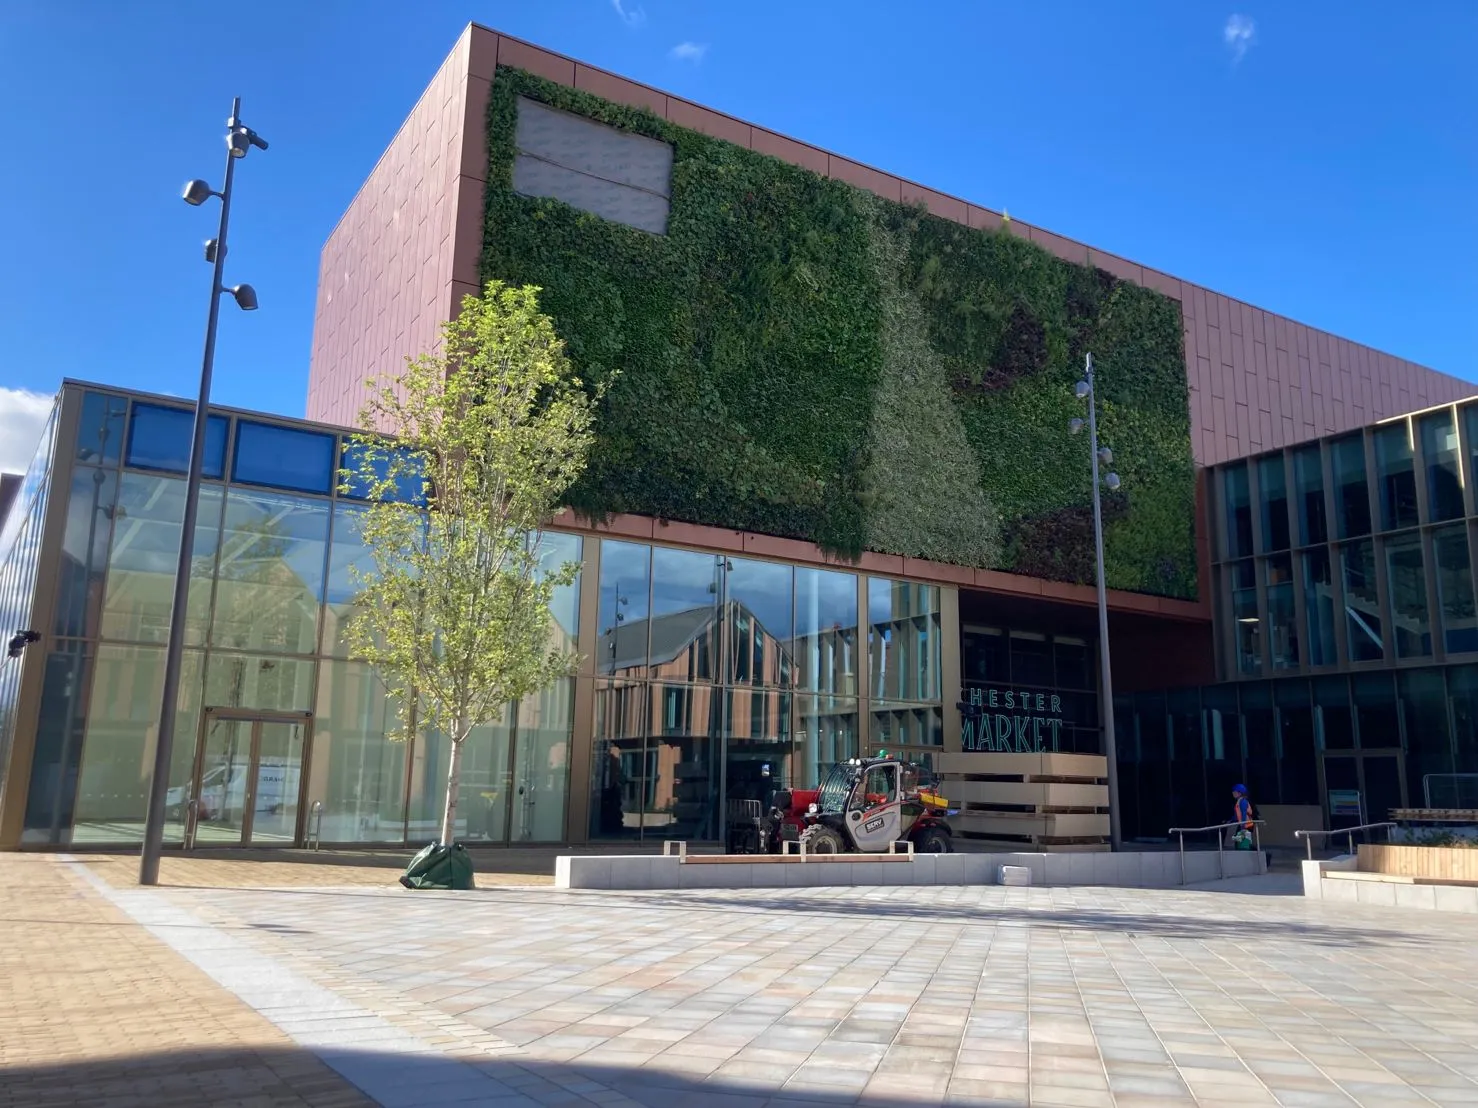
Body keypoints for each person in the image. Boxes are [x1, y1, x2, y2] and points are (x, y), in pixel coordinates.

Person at [1231, 784, 1255, 850]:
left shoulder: (1243, 801)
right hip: (1242, 825)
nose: (1233, 793)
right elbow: (1237, 815)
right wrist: (1231, 821)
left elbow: (1244, 813)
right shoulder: (1239, 801)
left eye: (1234, 792)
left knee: (1243, 843)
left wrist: (1243, 826)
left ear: (1239, 793)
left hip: (1246, 825)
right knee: (1239, 842)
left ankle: (1252, 853)